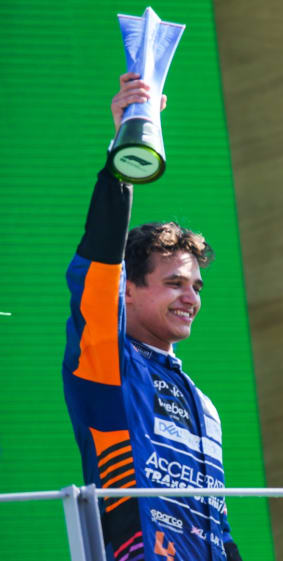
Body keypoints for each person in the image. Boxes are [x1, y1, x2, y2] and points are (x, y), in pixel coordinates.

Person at [63, 73, 242, 561]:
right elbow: (97, 269)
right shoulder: (107, 364)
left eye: (196, 287)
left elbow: (220, 529)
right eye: (174, 283)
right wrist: (123, 158)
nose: (191, 298)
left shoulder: (204, 405)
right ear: (127, 290)